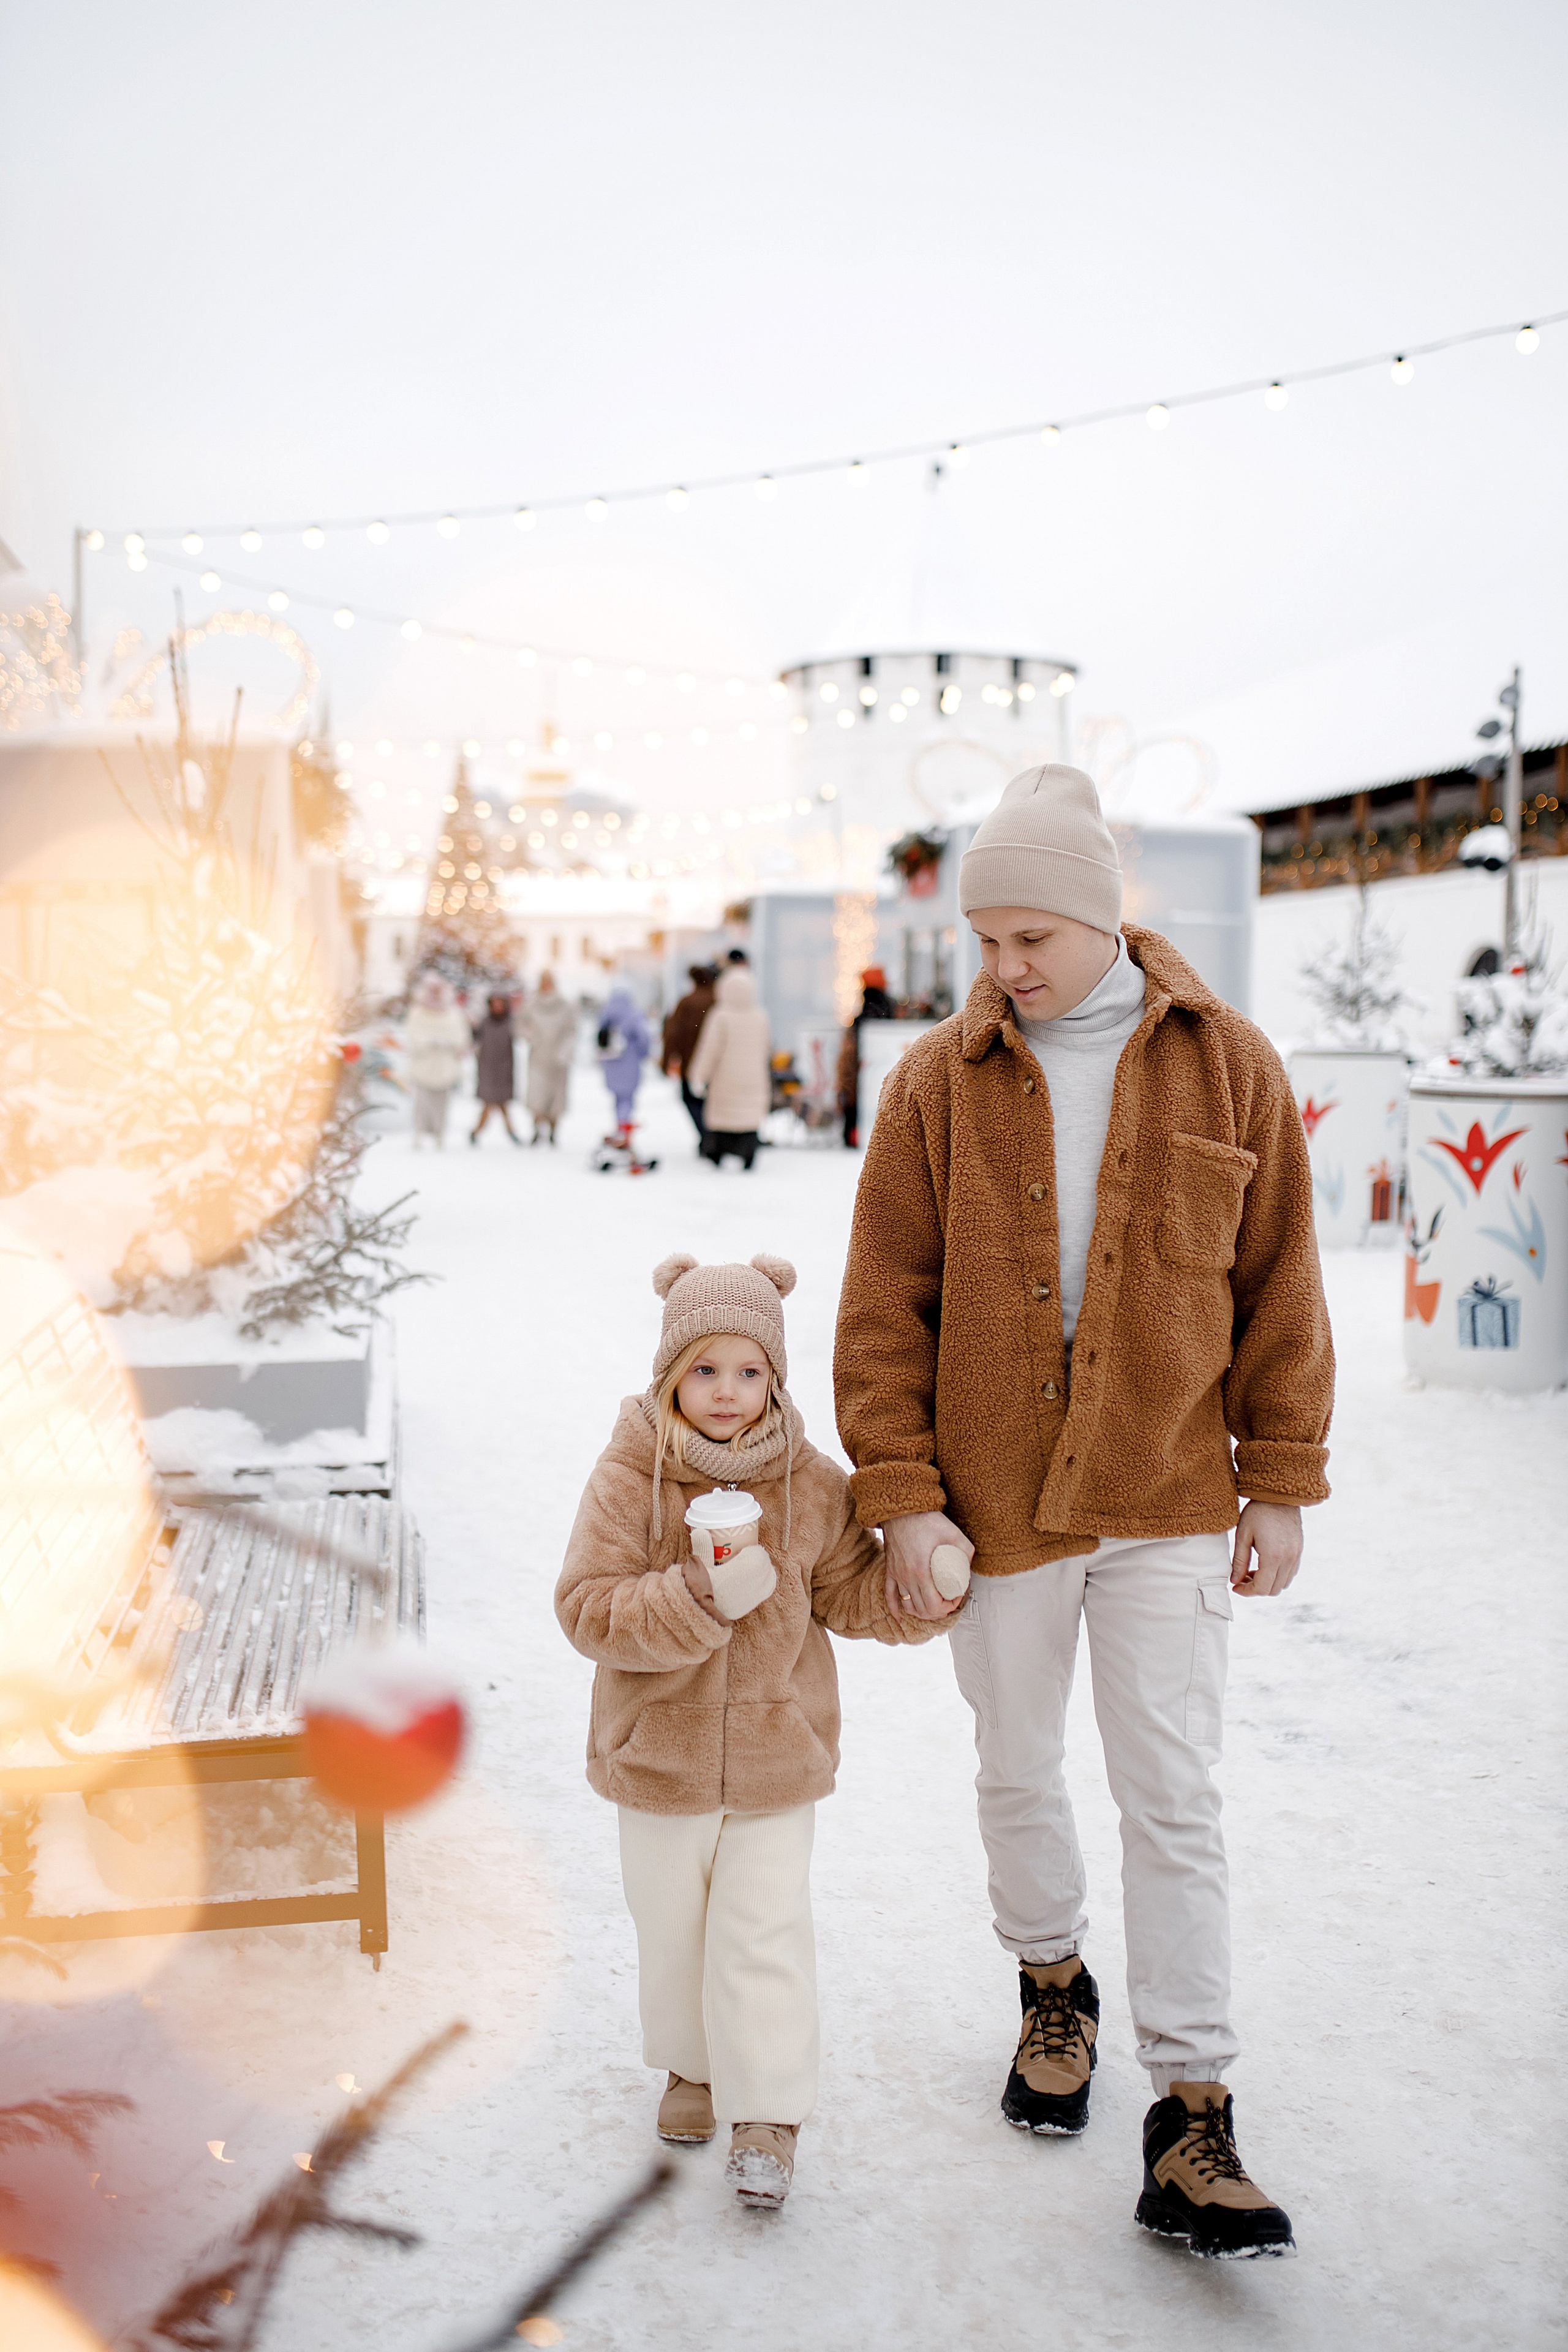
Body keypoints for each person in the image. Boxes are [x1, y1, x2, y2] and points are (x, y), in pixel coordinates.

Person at [833, 764, 1333, 2262]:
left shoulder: (1228, 1065)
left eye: (1029, 936)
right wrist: (902, 1499)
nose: (1003, 965)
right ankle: (1050, 1983)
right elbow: (880, 1310)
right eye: (983, 940)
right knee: (1014, 1763)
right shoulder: (934, 1082)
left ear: (1099, 915)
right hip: (994, 1510)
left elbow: (1280, 1287)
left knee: (1171, 1794)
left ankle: (1192, 2106)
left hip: (1168, 1495)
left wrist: (1280, 1476)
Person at [555, 1252, 952, 2208]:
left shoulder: (809, 1485)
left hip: (779, 1756)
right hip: (657, 1755)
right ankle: (692, 2067)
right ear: (669, 1372)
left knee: (762, 1929)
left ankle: (768, 2113)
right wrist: (692, 1597)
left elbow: (851, 1591)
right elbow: (587, 1607)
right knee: (673, 1928)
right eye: (704, 1369)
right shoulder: (630, 1477)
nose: (726, 1391)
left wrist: (921, 1596)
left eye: (749, 1370)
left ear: (775, 1376)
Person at [688, 963, 771, 1170]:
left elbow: (710, 1050)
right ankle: (748, 1152)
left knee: (723, 1116)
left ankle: (718, 1151)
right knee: (748, 1116)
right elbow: (766, 1048)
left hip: (726, 1077)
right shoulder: (760, 1016)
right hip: (753, 1077)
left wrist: (699, 1076)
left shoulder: (721, 1016)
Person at [403, 972, 470, 1148]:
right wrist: (428, 1042)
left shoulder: (453, 1013)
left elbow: (461, 1036)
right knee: (422, 1103)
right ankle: (419, 1134)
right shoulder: (418, 1012)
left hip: (445, 1065)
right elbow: (412, 1035)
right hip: (424, 1065)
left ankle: (440, 1135)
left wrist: (449, 1044)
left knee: (442, 1104)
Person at [837, 966, 895, 1148]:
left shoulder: (862, 1019)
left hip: (860, 1077)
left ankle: (852, 1138)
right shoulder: (891, 1014)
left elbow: (848, 1058)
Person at [519, 970, 577, 1145]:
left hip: (558, 1060)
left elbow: (571, 1030)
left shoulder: (564, 1005)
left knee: (556, 1098)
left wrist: (565, 1051)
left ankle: (554, 1130)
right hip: (538, 1058)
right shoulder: (531, 1005)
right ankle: (537, 1129)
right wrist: (532, 1037)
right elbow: (522, 1026)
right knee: (537, 1097)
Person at [662, 963, 718, 1139]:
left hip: (690, 1062)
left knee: (691, 1099)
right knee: (713, 1101)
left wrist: (666, 1062)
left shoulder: (686, 1002)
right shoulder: (718, 1000)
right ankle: (712, 1136)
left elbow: (672, 1034)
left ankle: (706, 1135)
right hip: (716, 1064)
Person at [597, 983, 650, 1142]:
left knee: (618, 1098)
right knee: (628, 1099)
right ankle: (624, 1129)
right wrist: (643, 1054)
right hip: (630, 1061)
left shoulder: (606, 1013)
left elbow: (599, 1038)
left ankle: (620, 1126)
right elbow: (643, 1038)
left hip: (611, 1062)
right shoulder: (633, 1014)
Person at [469, 991, 522, 1145]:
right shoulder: (484, 1023)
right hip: (487, 1068)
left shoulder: (511, 1023)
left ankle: (509, 1131)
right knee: (488, 1103)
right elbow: (474, 1039)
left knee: (502, 1104)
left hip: (504, 1069)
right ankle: (477, 1131)